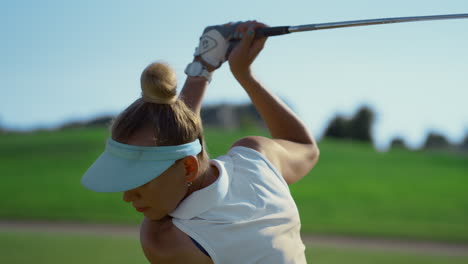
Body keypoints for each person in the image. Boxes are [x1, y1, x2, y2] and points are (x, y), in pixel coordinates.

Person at [81, 21, 319, 263]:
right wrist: (241, 74)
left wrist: (203, 66)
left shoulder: (166, 241)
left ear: (188, 167)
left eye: (140, 178)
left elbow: (179, 134)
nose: (128, 195)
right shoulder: (256, 157)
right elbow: (303, 146)